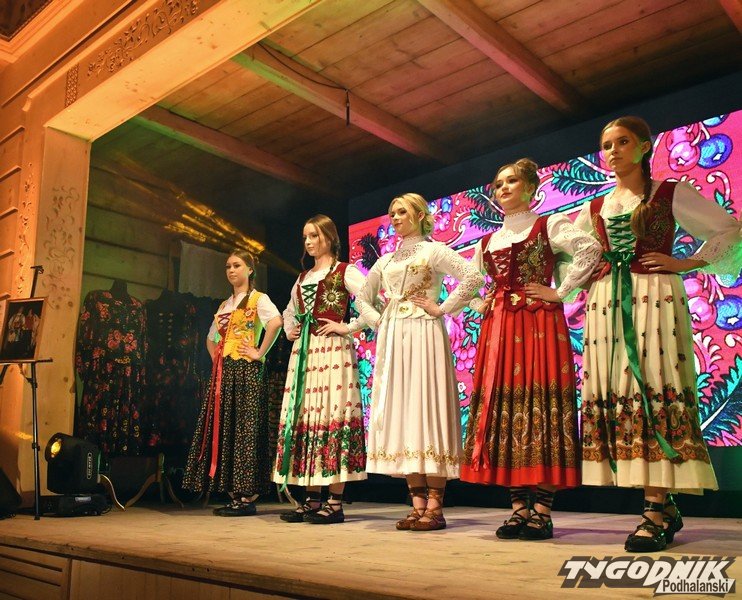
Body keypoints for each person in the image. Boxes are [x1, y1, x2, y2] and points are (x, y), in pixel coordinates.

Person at [575, 116, 741, 552]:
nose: (613, 151)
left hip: (654, 296)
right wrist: (579, 280)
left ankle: (654, 508)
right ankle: (660, 506)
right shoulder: (597, 206)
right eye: (607, 145)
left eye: (622, 142)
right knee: (621, 392)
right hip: (607, 302)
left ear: (645, 146)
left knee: (653, 385)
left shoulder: (669, 192)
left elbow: (728, 229)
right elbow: (573, 257)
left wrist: (686, 263)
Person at [461, 158, 602, 540]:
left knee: (541, 407)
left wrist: (560, 291)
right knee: (507, 411)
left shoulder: (548, 224)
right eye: (498, 183)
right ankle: (518, 509)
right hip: (499, 330)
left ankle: (542, 510)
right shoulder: (488, 242)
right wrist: (479, 303)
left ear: (530, 188)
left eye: (511, 181)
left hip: (539, 325)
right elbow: (467, 282)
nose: (503, 188)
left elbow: (589, 248)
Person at [357, 193, 484, 531]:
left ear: (418, 214)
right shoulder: (385, 261)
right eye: (391, 213)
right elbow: (362, 298)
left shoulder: (433, 251)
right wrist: (380, 321)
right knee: (404, 412)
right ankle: (416, 506)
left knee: (426, 409)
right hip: (395, 337)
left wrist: (442, 308)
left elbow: (472, 277)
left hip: (425, 332)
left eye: (401, 212)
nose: (395, 218)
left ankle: (436, 507)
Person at [274, 215, 368, 524]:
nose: (309, 242)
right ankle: (312, 500)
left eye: (314, 235)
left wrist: (347, 327)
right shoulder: (302, 278)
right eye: (305, 237)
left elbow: (372, 303)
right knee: (308, 418)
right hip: (305, 354)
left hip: (333, 353)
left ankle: (335, 503)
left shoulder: (345, 271)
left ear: (329, 237)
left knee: (332, 415)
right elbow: (289, 310)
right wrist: (290, 328)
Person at [183, 249, 282, 516]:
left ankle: (247, 495)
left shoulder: (259, 299)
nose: (231, 270)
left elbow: (276, 323)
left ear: (250, 269)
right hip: (225, 373)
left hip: (248, 371)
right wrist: (218, 358)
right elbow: (211, 338)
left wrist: (259, 352)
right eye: (228, 266)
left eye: (237, 265)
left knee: (246, 431)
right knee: (227, 428)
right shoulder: (224, 305)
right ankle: (233, 492)